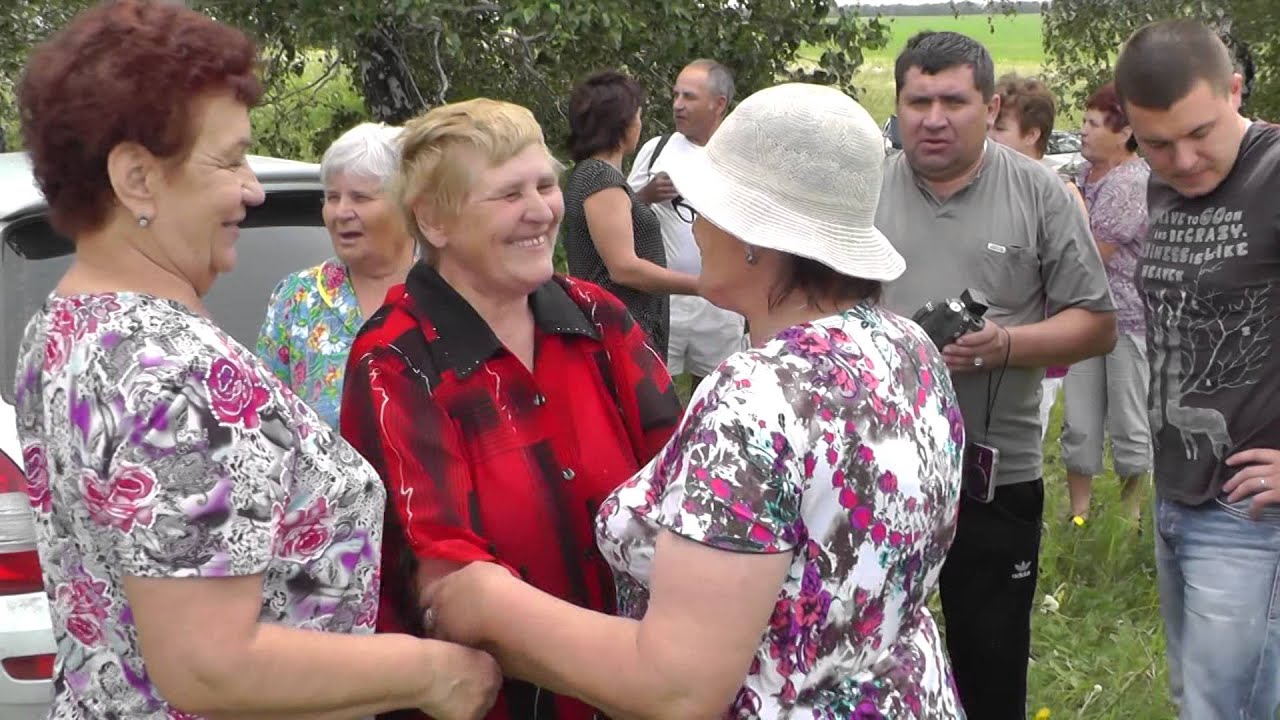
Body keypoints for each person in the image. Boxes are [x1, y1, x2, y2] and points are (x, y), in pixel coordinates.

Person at [12, 2, 499, 719]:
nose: (254, 187)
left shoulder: (63, 325)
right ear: (138, 178)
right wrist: (432, 672)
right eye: (230, 158)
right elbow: (211, 665)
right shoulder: (171, 370)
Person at [424, 83, 967, 719]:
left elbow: (677, 689)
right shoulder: (907, 346)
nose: (696, 225)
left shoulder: (758, 398)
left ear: (754, 238)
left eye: (702, 208)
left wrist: (488, 605)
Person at [339, 97, 683, 720]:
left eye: (546, 185)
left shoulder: (597, 319)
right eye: (507, 195)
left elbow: (687, 485)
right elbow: (448, 577)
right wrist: (645, 673)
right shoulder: (395, 357)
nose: (540, 211)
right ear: (434, 221)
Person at [876, 31, 1116, 719]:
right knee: (873, 659)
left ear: (992, 104)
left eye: (954, 99)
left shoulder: (1040, 193)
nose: (934, 116)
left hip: (994, 471)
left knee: (991, 660)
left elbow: (1096, 323)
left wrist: (1003, 343)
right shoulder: (865, 191)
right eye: (918, 100)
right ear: (898, 105)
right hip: (879, 469)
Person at [1115, 18, 1280, 719]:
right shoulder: (1166, 188)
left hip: (1253, 512)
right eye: (1157, 143)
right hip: (1179, 493)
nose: (1182, 161)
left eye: (1200, 133)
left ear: (1235, 89)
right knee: (1198, 700)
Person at [256, 122, 416, 428]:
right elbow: (267, 420)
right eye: (332, 197)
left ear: (406, 204)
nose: (342, 212)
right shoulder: (298, 298)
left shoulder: (446, 287)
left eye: (360, 198)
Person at [1060, 81, 1153, 525]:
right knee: (1078, 423)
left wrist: (1072, 204)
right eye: (1084, 121)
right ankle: (1079, 516)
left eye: (1094, 124)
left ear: (1124, 133)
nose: (1083, 132)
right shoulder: (1082, 175)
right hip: (1081, 317)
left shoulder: (1133, 181)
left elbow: (1092, 254)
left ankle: (1129, 520)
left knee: (1129, 425)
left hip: (1127, 321)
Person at [561, 70, 699, 359]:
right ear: (620, 125)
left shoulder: (599, 176)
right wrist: (701, 286)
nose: (639, 123)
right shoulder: (599, 178)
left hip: (625, 326)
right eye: (636, 115)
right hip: (619, 330)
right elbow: (624, 268)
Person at [628, 59, 746, 388]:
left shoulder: (741, 158)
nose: (678, 105)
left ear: (719, 104)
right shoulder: (657, 150)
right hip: (664, 301)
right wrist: (646, 195)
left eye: (689, 97)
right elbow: (618, 214)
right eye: (676, 96)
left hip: (722, 302)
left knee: (713, 394)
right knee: (652, 393)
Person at [988, 73, 1089, 442]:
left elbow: (1077, 288)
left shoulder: (1061, 197)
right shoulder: (989, 188)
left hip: (1036, 362)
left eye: (1000, 127)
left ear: (1031, 135)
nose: (989, 135)